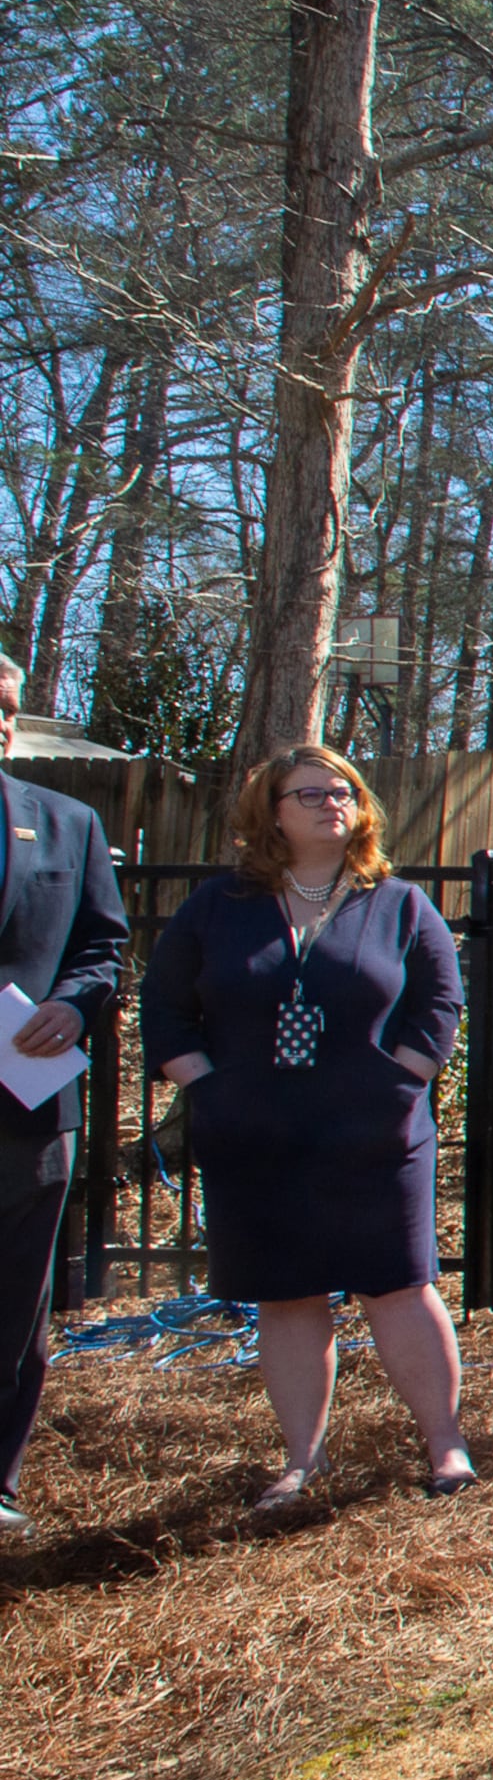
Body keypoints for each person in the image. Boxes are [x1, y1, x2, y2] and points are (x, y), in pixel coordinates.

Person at [144, 747, 473, 1509]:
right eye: (312, 793)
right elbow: (165, 1008)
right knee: (287, 1296)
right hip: (255, 1137)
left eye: (345, 791)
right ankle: (302, 1461)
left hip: (374, 1135)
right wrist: (210, 1090)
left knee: (398, 1285)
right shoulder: (218, 908)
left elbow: (440, 1002)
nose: (334, 803)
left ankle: (445, 1445)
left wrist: (402, 1081)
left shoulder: (394, 901)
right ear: (272, 813)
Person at [0, 654, 128, 1538]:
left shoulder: (66, 822)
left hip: (26, 1110)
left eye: (4, 706)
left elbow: (101, 947)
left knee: (13, 1302)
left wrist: (73, 1007)